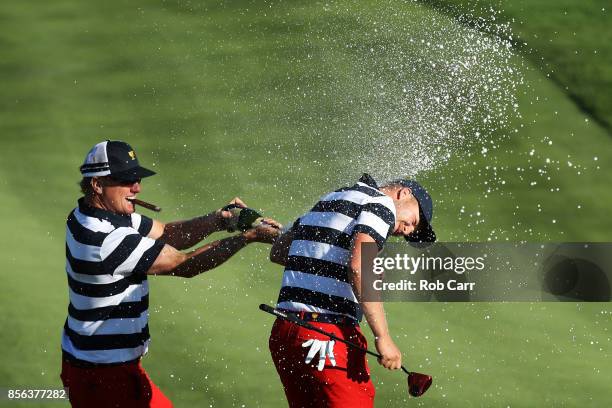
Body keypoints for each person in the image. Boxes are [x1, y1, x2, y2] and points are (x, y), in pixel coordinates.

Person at [60, 140, 281, 408]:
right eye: (126, 180)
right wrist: (248, 237)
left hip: (98, 366)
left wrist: (220, 219)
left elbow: (168, 234)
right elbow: (183, 264)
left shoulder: (91, 214)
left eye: (137, 179)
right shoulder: (107, 238)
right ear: (97, 184)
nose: (137, 188)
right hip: (104, 376)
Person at [268, 173, 436, 407]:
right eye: (414, 221)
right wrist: (383, 337)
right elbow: (358, 267)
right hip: (325, 334)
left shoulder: (331, 197)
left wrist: (336, 259)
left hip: (285, 334)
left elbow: (279, 251)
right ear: (404, 194)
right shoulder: (381, 204)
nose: (408, 231)